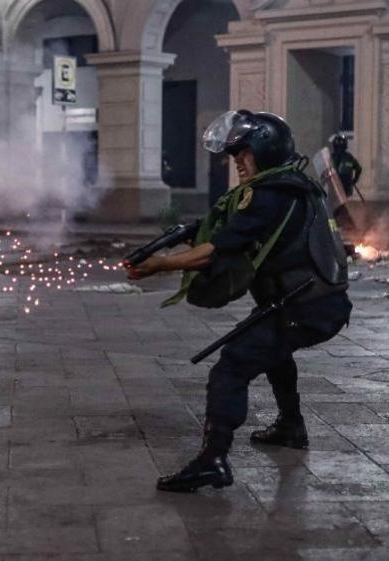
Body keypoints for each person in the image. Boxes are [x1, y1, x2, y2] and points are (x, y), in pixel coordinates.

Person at [125, 110, 352, 493]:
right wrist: (186, 233)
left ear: (264, 151)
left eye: (242, 155)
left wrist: (159, 265)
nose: (238, 164)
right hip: (318, 303)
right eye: (234, 157)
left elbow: (217, 250)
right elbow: (232, 224)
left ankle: (212, 460)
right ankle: (290, 426)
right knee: (275, 350)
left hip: (304, 306)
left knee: (230, 369)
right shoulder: (291, 184)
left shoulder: (269, 194)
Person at [330, 134, 362, 199]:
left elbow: (358, 168)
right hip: (334, 187)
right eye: (338, 147)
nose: (339, 149)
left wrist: (354, 180)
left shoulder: (349, 157)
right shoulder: (330, 157)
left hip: (346, 188)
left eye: (340, 146)